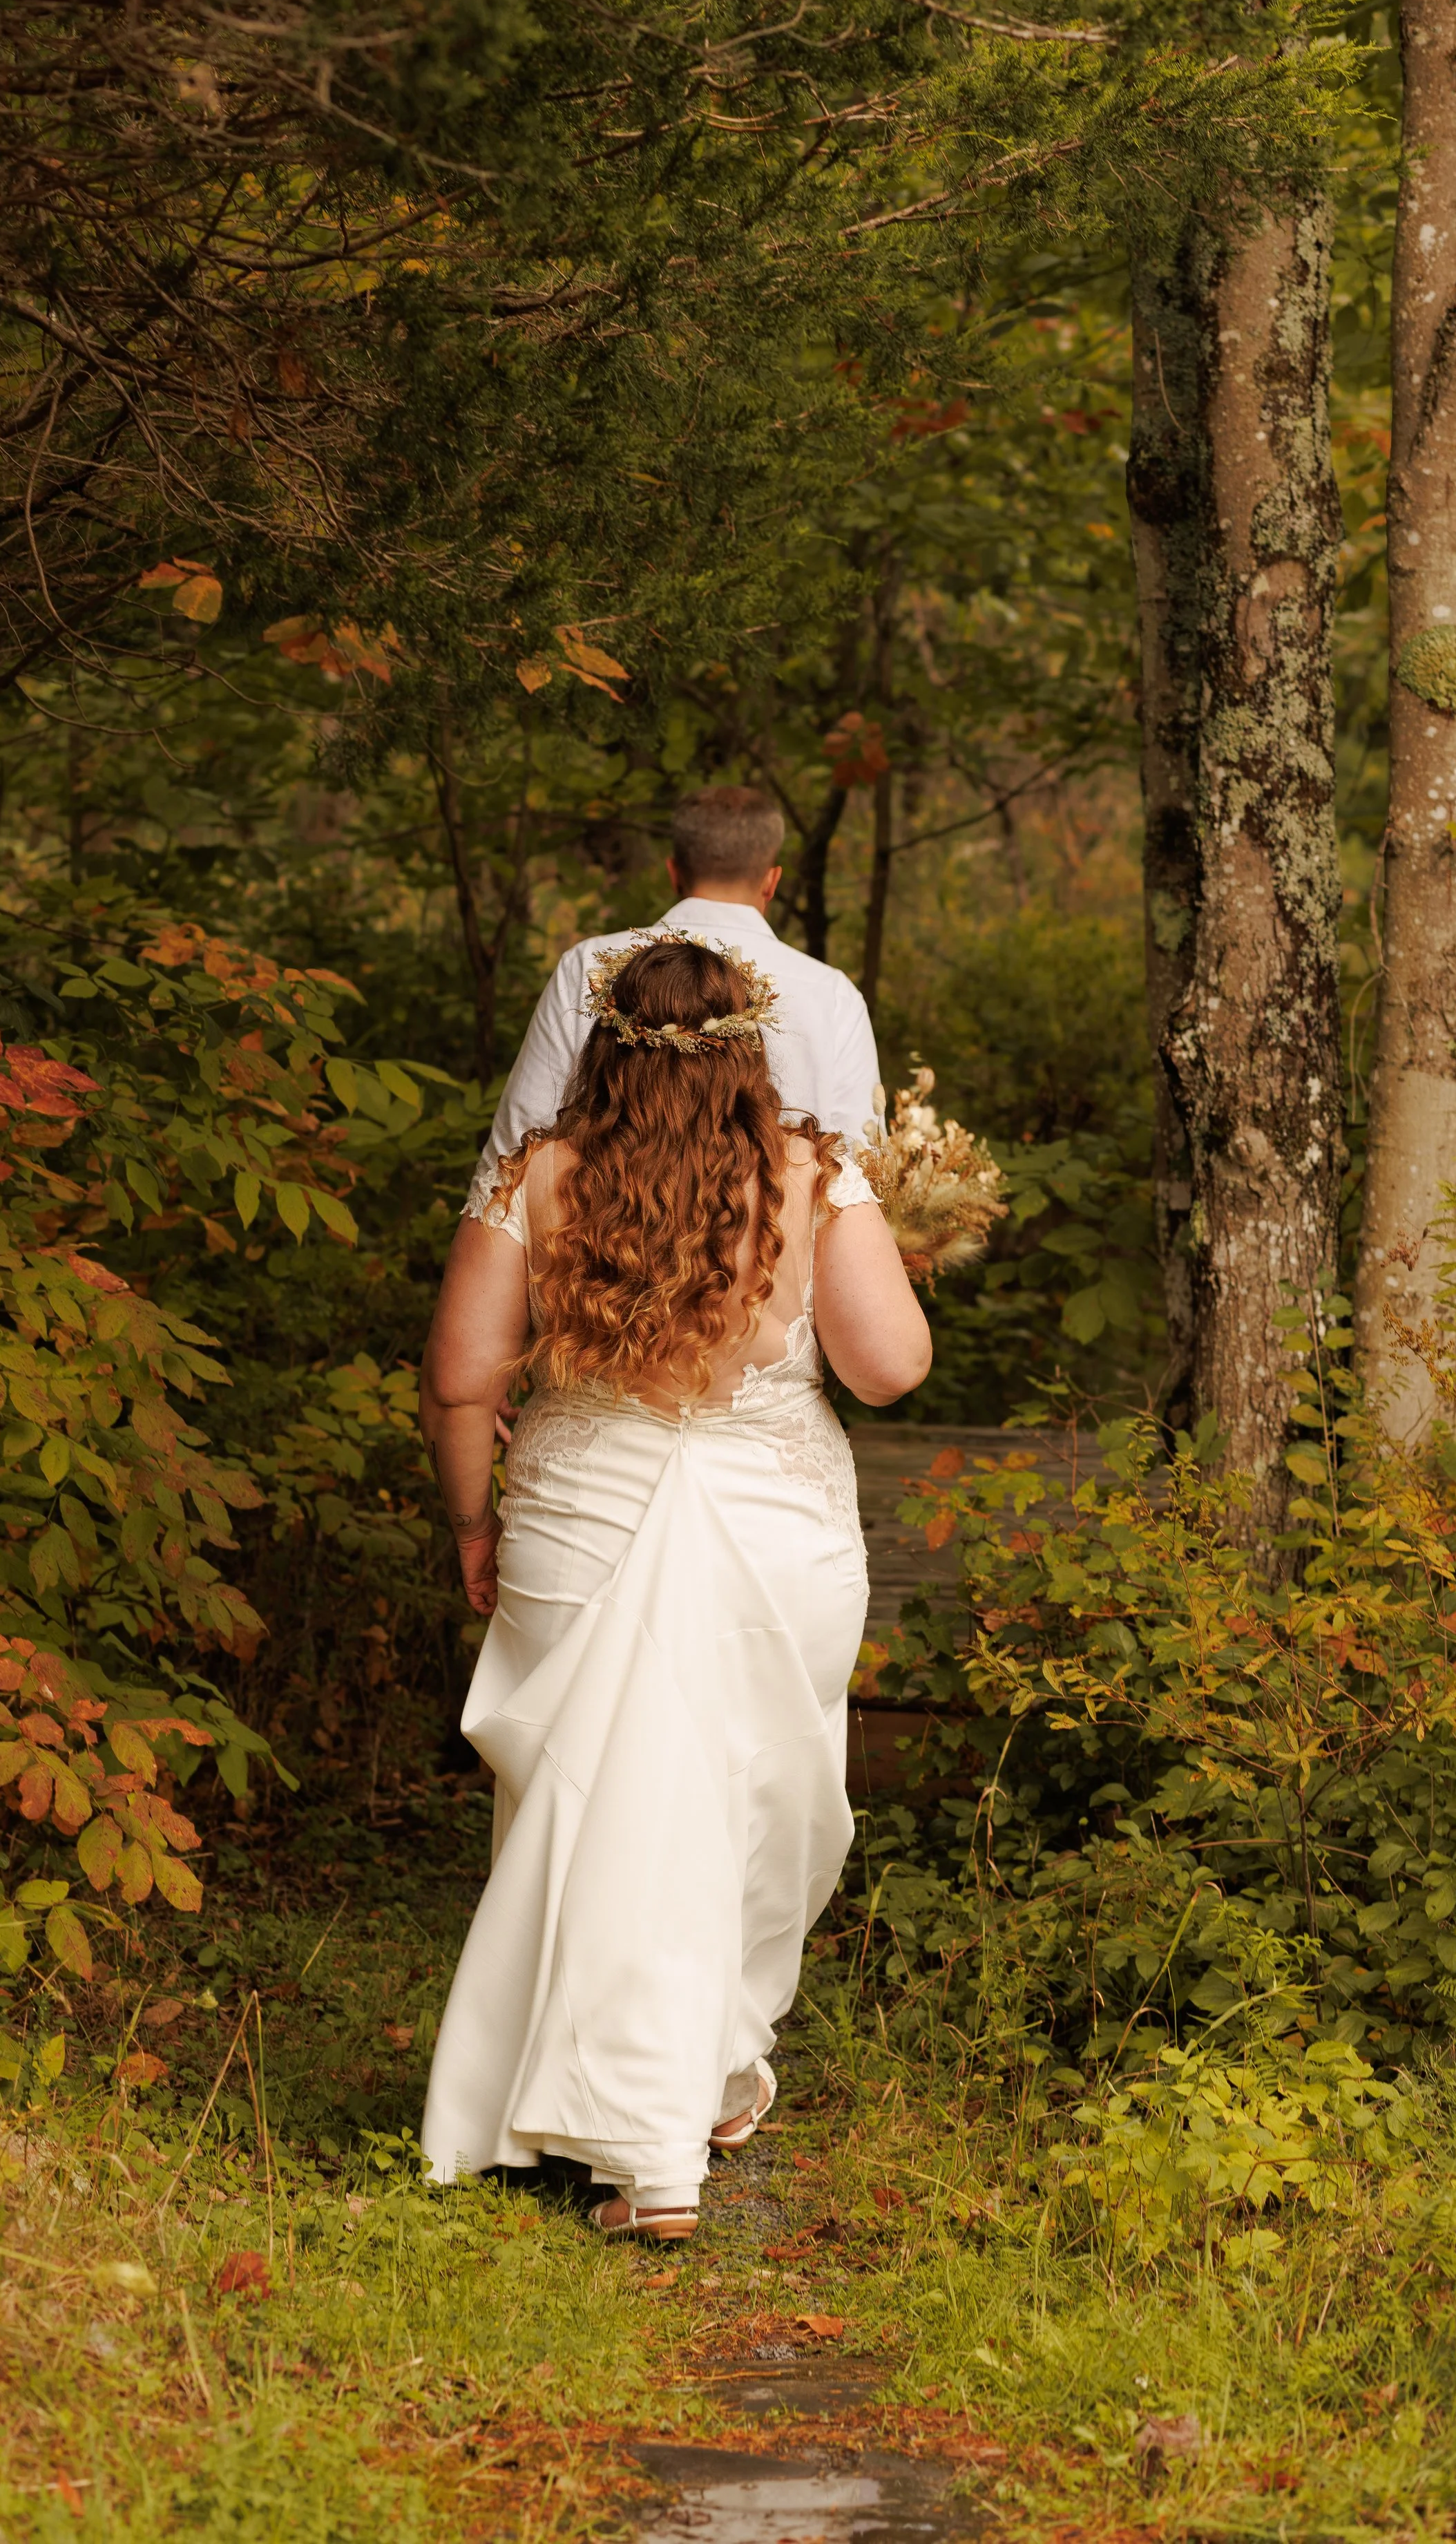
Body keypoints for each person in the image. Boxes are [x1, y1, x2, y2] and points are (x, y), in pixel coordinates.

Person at [417, 932, 930, 2241]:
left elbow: (463, 1378)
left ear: (599, 1047)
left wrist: (475, 1523)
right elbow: (888, 1371)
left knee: (604, 1800)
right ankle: (664, 2138)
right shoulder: (812, 1171)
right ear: (753, 1049)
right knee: (752, 1803)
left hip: (582, 1515)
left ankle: (653, 2091)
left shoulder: (537, 1173)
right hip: (775, 1531)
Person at [464, 784, 881, 1222]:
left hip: (605, 1254)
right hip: (771, 1266)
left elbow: (518, 1148)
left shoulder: (589, 966)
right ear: (772, 881)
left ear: (673, 872)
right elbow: (855, 1166)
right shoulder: (833, 994)